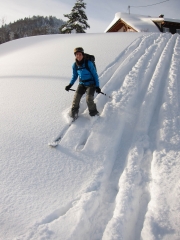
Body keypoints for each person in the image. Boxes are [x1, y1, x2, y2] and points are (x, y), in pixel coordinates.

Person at [65, 47, 101, 119]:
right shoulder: (75, 65)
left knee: (89, 99)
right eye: (77, 54)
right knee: (76, 99)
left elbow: (95, 75)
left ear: (83, 55)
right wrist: (70, 85)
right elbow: (75, 76)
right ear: (75, 55)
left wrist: (97, 86)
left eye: (80, 54)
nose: (78, 56)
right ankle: (73, 115)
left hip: (91, 84)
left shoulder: (89, 63)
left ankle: (94, 114)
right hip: (82, 84)